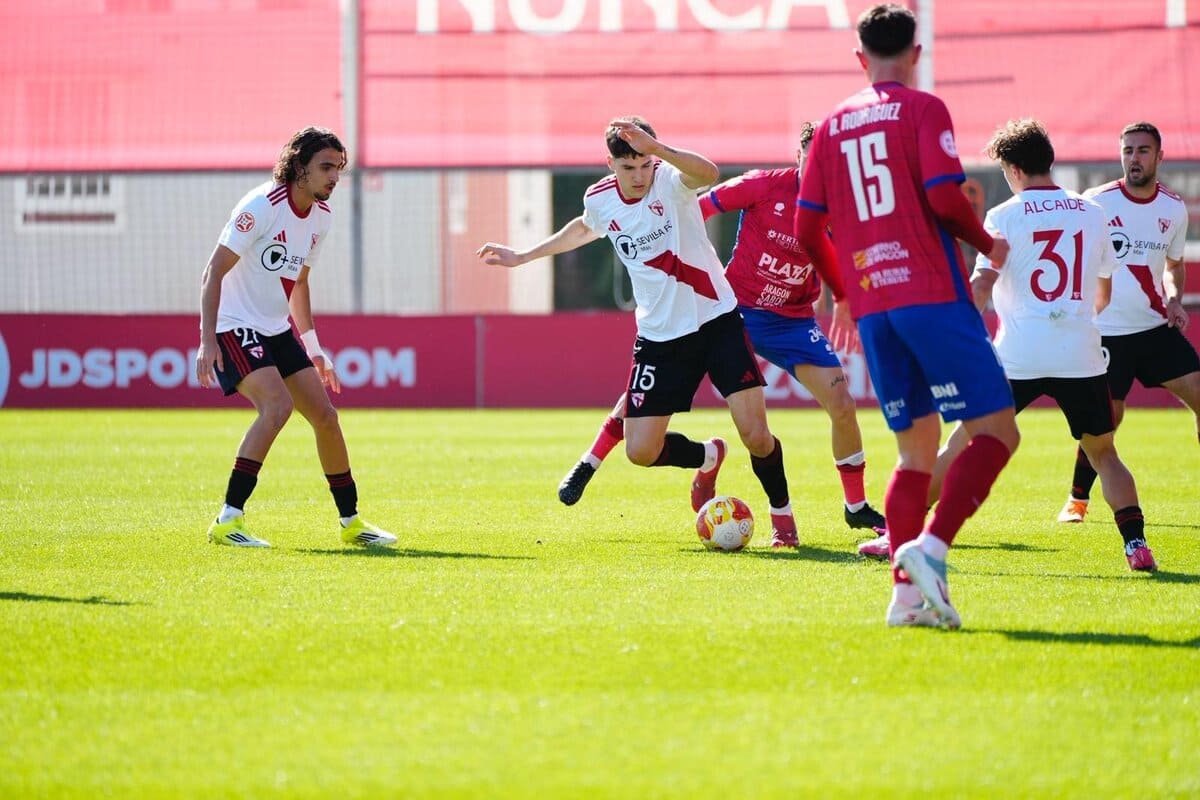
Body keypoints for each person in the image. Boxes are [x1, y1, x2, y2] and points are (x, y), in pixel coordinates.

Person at [556, 121, 889, 552]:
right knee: (647, 389)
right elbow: (699, 207)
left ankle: (856, 505)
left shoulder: (849, 209)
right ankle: (594, 456)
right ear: (800, 157)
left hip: (792, 321)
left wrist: (848, 300)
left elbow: (859, 258)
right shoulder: (763, 186)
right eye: (814, 161)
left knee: (840, 404)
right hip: (733, 310)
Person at [793, 3, 1019, 628]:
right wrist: (985, 241)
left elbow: (806, 225)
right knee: (999, 433)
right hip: (931, 294)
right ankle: (932, 548)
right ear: (915, 55)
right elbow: (944, 196)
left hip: (873, 306)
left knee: (914, 455)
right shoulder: (924, 108)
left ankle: (905, 598)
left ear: (860, 59)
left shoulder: (834, 124)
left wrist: (842, 290)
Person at [479, 117, 799, 542]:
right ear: (610, 164)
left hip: (716, 322)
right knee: (640, 451)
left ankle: (784, 521)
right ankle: (708, 456)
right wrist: (522, 256)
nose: (638, 176)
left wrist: (659, 150)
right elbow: (583, 228)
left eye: (643, 165)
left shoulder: (670, 179)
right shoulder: (600, 200)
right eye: (627, 168)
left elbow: (710, 173)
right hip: (661, 338)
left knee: (757, 436)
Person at [930, 119, 1155, 571]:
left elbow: (981, 283)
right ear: (1047, 160)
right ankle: (1136, 546)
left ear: (1013, 169)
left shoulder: (1005, 215)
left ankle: (898, 530)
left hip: (1019, 354)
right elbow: (1104, 292)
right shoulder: (1093, 213)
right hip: (1080, 352)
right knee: (1104, 454)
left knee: (962, 440)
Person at [195, 126, 395, 549]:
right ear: (299, 166)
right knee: (277, 407)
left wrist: (314, 347)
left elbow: (299, 284)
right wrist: (207, 339)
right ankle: (227, 520)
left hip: (276, 328)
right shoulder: (262, 205)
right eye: (325, 167)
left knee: (326, 417)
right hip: (235, 324)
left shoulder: (321, 217)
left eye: (339, 169)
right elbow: (213, 271)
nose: (334, 177)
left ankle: (352, 523)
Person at [1057, 121, 1200, 525]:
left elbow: (1174, 265)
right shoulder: (1096, 202)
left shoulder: (1172, 209)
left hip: (1155, 328)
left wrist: (1173, 299)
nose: (1133, 158)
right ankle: (1077, 498)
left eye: (1142, 151)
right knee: (1106, 421)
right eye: (1127, 151)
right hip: (1108, 333)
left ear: (1159, 156)